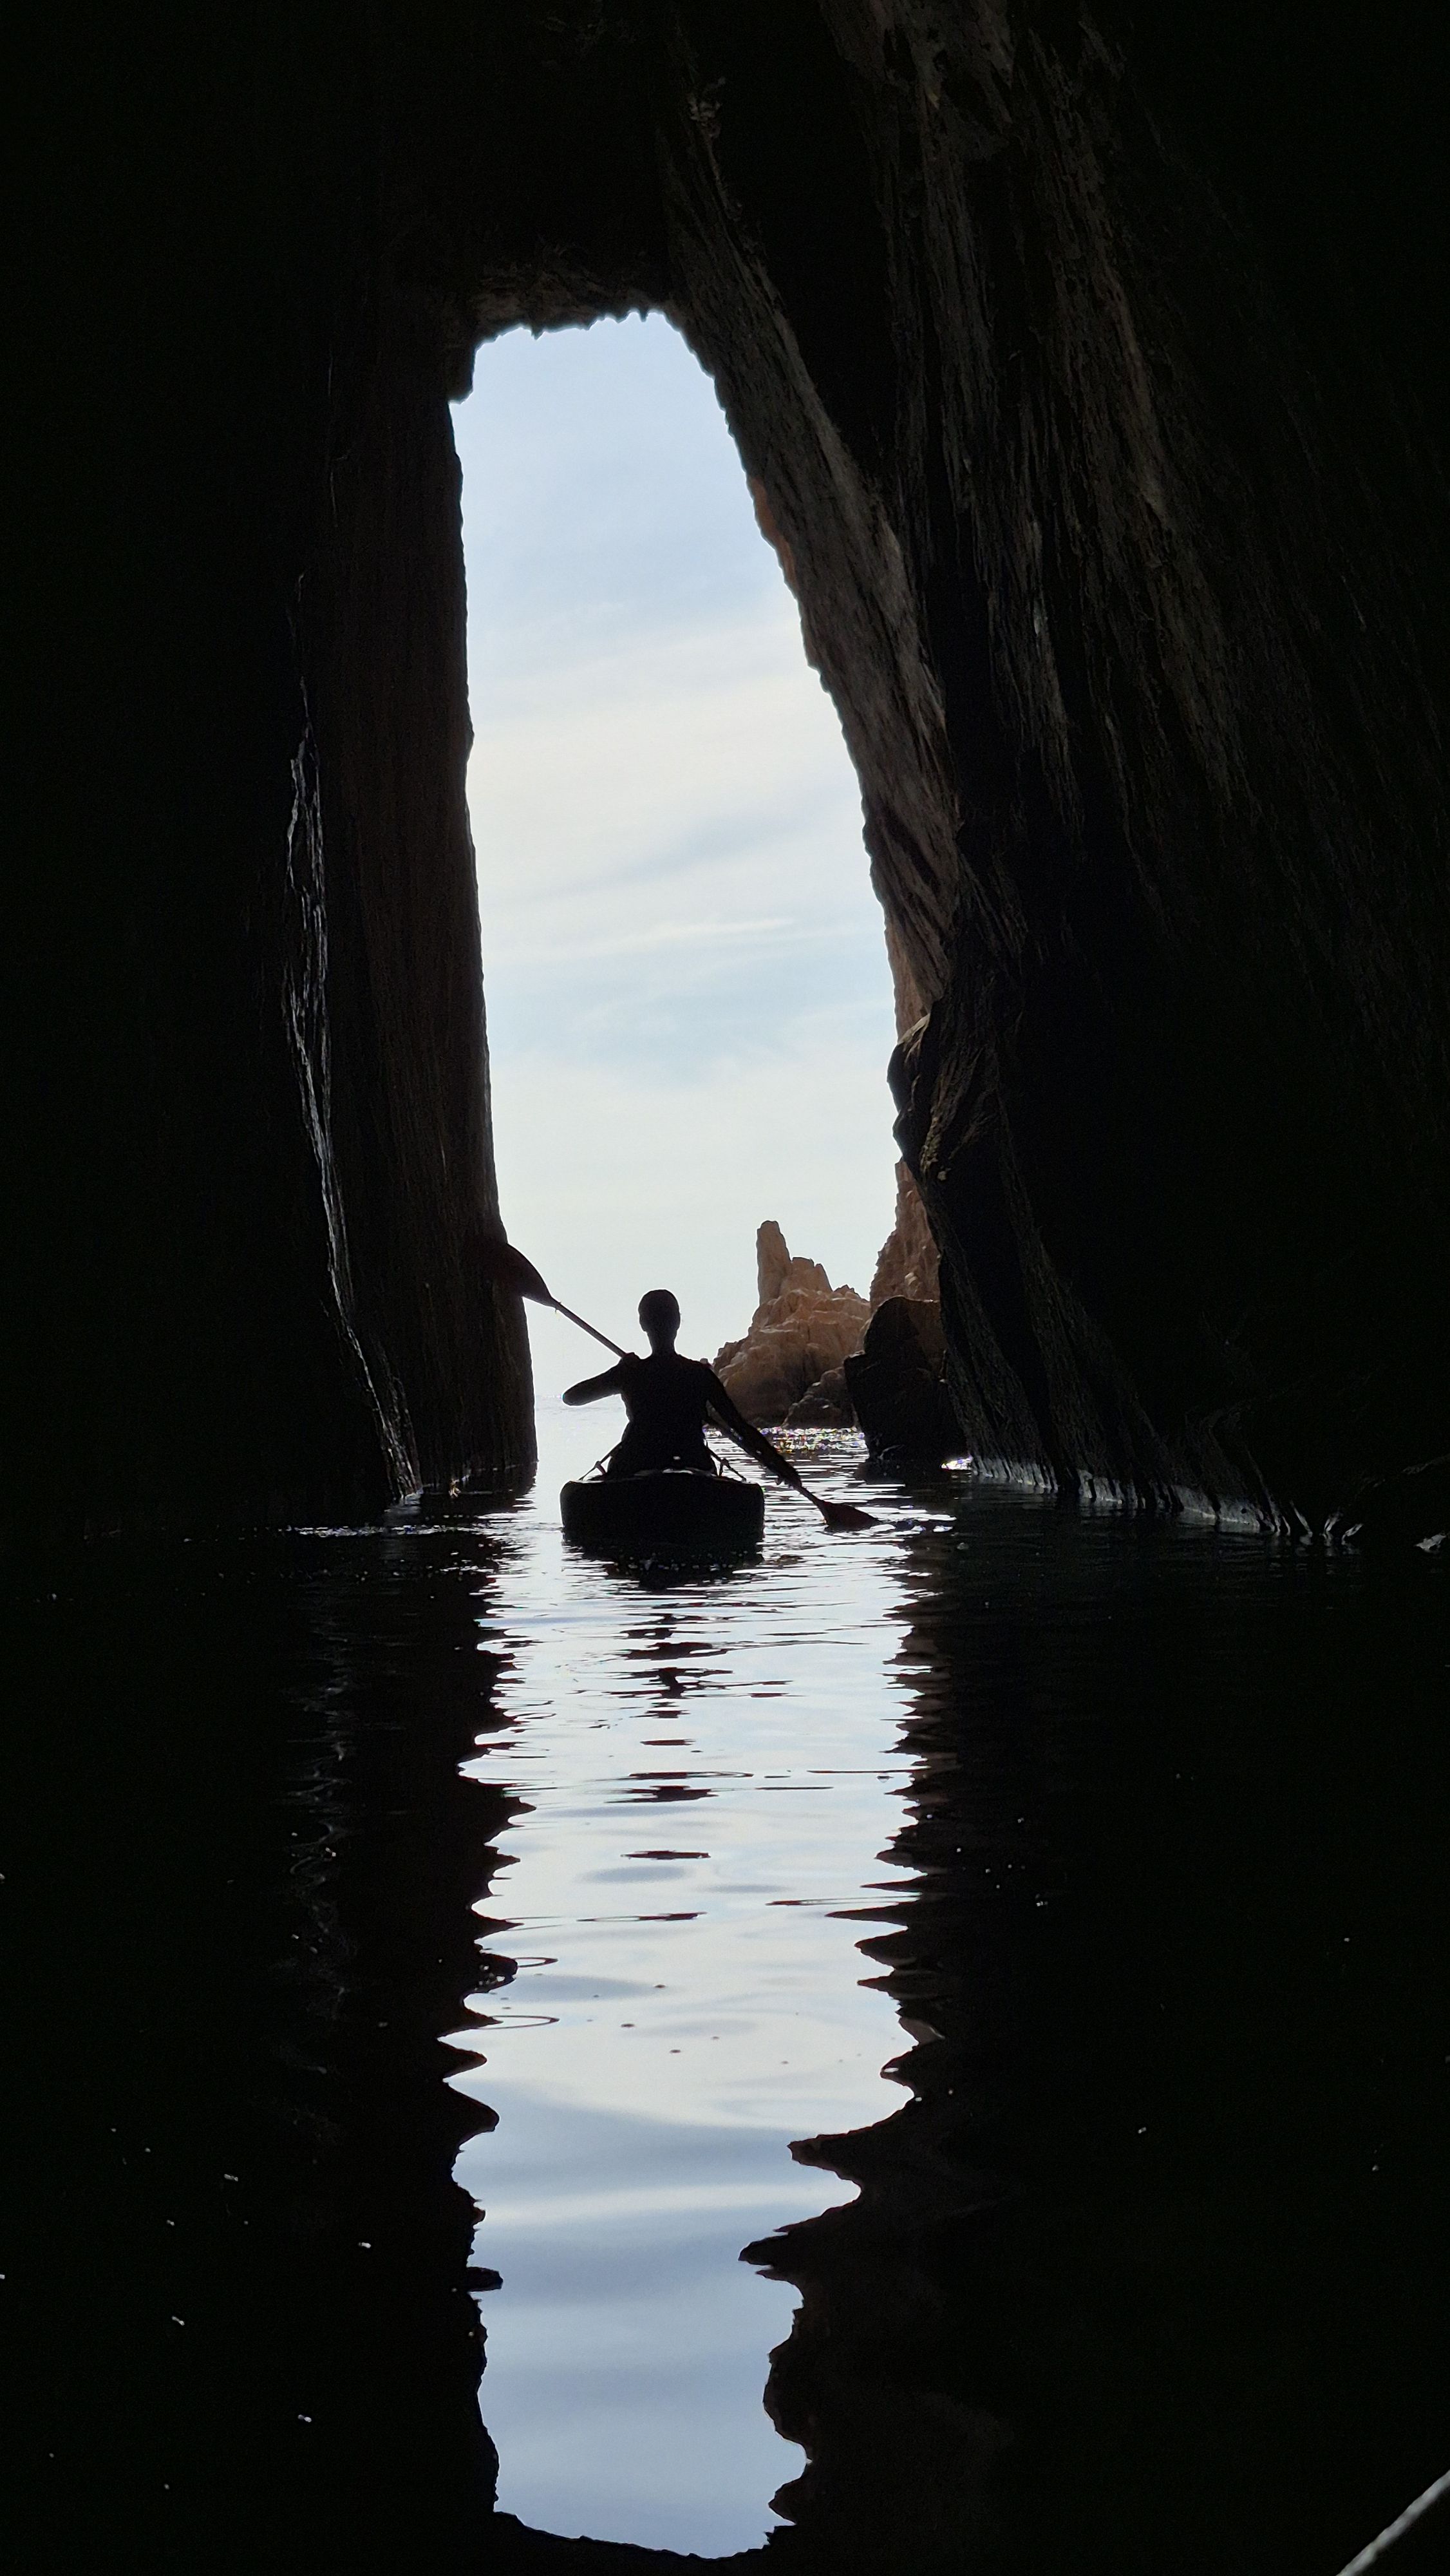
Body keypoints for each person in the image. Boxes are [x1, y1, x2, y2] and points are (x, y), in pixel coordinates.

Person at [563, 1289, 807, 1493]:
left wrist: (616, 1372)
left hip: (634, 1466)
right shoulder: (699, 1374)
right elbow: (741, 1427)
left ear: (643, 1323)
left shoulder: (630, 1373)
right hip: (693, 1465)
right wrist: (781, 1466)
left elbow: (571, 1398)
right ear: (678, 1321)